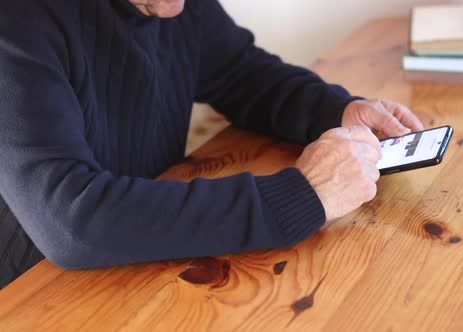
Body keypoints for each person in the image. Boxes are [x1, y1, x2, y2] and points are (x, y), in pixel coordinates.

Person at [0, 0, 423, 288]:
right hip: (34, 288)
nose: (183, 8)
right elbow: (71, 221)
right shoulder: (16, 22)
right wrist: (300, 195)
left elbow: (240, 73)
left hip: (143, 256)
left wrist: (336, 112)